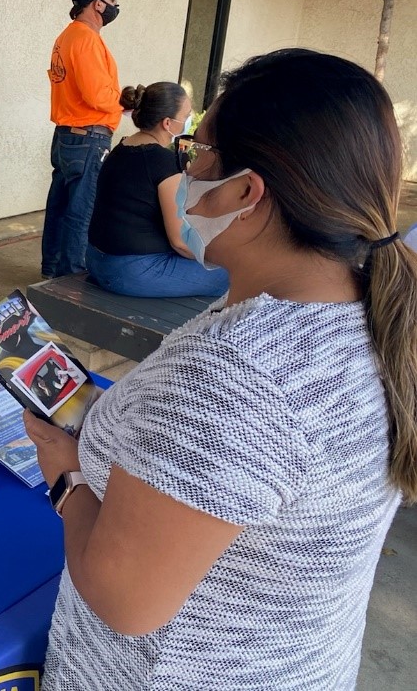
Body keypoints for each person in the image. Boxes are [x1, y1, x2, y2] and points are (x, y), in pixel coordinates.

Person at [24, 48, 417, 689]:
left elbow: (126, 602)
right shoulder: (369, 307)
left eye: (200, 151)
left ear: (245, 190)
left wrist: (66, 477)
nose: (190, 168)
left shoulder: (238, 379)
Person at [85, 82, 229, 297]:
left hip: (96, 260)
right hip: (131, 271)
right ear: (168, 123)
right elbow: (180, 242)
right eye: (187, 114)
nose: (189, 120)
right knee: (234, 275)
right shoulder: (162, 162)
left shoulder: (121, 148)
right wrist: (220, 258)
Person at [40, 0, 126, 279]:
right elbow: (97, 94)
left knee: (60, 207)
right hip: (88, 137)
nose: (116, 4)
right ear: (97, 4)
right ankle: (71, 279)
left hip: (67, 135)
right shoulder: (86, 39)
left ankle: (52, 272)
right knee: (81, 211)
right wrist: (127, 103)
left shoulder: (67, 36)